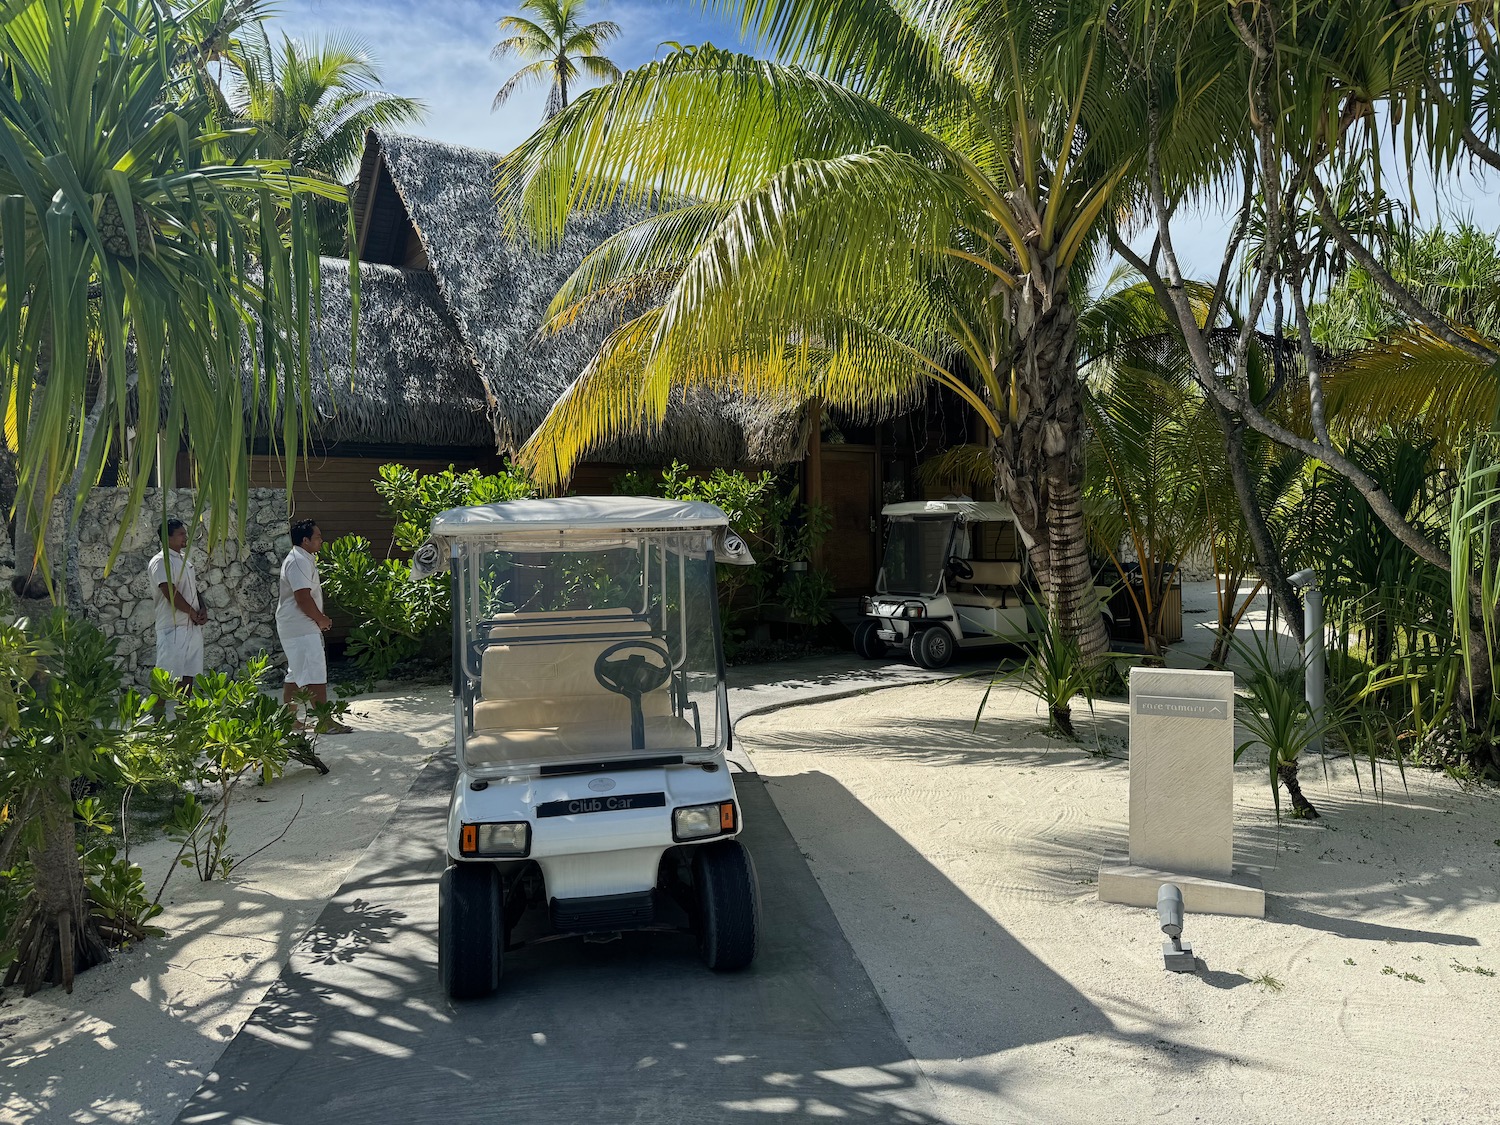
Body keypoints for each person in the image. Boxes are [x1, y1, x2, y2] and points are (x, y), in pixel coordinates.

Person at [276, 518, 351, 733]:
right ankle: (324, 721)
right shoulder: (298, 560)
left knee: (296, 672)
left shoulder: (302, 558)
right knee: (314, 672)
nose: (321, 540)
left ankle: (289, 719)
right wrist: (321, 619)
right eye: (317, 537)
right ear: (305, 540)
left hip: (296, 626)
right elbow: (302, 597)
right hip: (301, 626)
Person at [148, 518, 206, 690]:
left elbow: (193, 589)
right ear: (168, 538)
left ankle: (185, 716)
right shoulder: (161, 561)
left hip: (191, 626)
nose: (185, 537)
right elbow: (169, 591)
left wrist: (202, 608)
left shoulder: (184, 561)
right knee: (165, 680)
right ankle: (159, 717)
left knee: (188, 675)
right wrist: (191, 612)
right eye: (181, 534)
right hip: (172, 627)